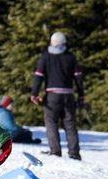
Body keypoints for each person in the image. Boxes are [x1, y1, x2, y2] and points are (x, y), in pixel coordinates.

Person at [31, 31, 84, 160]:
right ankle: (74, 153)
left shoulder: (45, 57)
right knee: (70, 124)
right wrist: (81, 94)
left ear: (51, 43)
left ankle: (55, 151)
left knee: (51, 123)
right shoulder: (70, 57)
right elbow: (78, 78)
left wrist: (34, 94)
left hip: (52, 96)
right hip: (68, 95)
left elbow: (38, 77)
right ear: (64, 43)